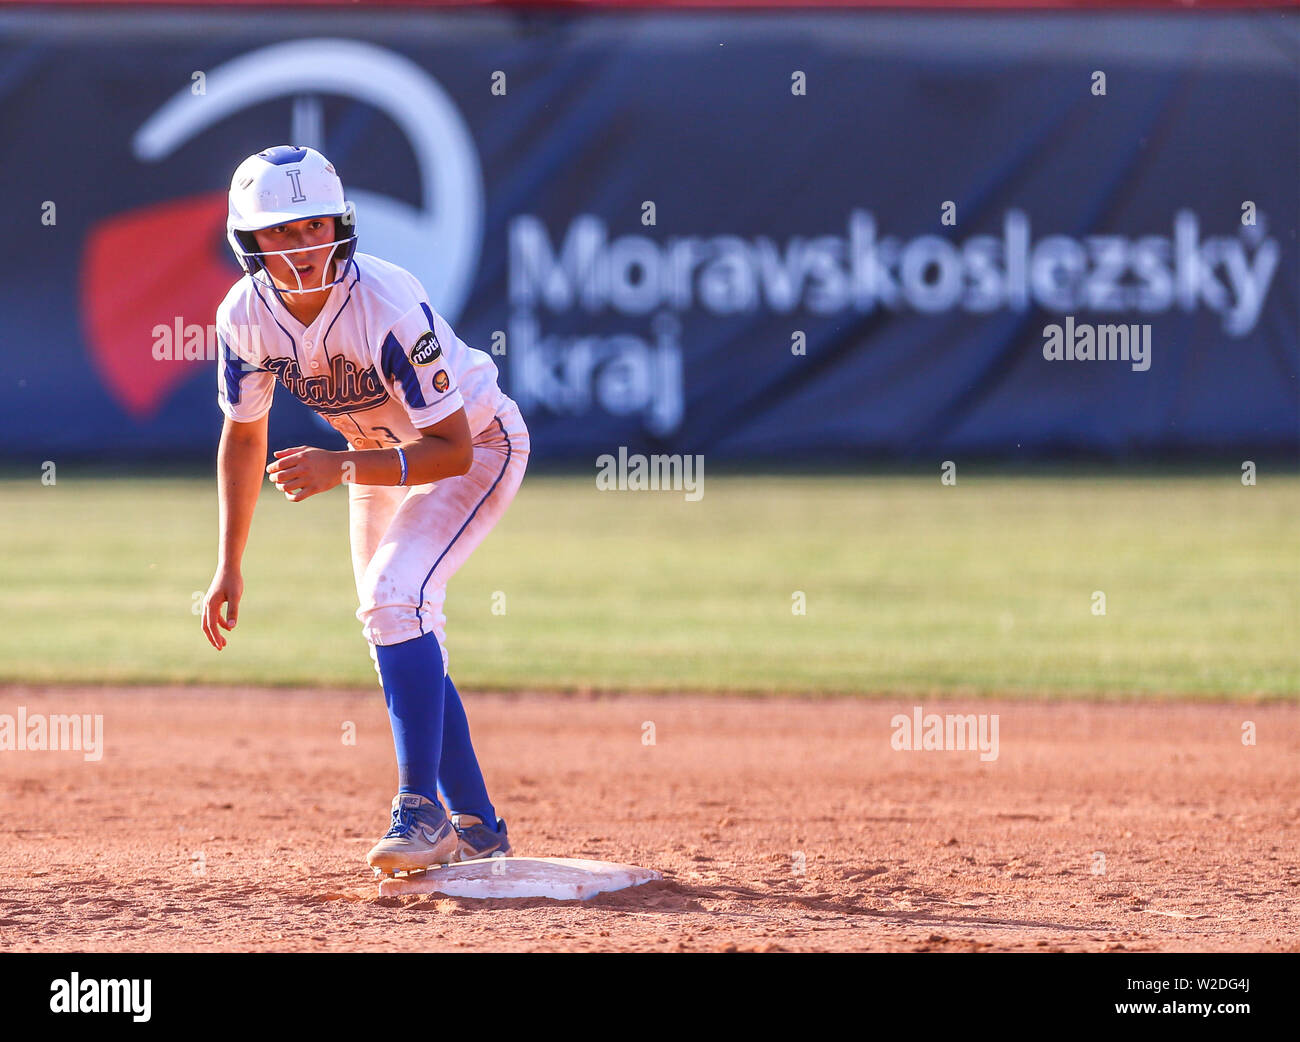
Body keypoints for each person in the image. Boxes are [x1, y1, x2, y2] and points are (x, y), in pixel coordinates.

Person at [200, 145, 527, 877]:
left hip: (478, 446)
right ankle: (479, 830)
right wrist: (229, 563)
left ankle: (421, 810)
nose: (302, 244)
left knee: (393, 600)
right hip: (376, 456)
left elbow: (452, 448)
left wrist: (341, 467)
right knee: (397, 617)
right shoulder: (244, 314)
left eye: (313, 224)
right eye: (280, 231)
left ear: (341, 224)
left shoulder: (385, 299)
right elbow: (244, 434)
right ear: (248, 240)